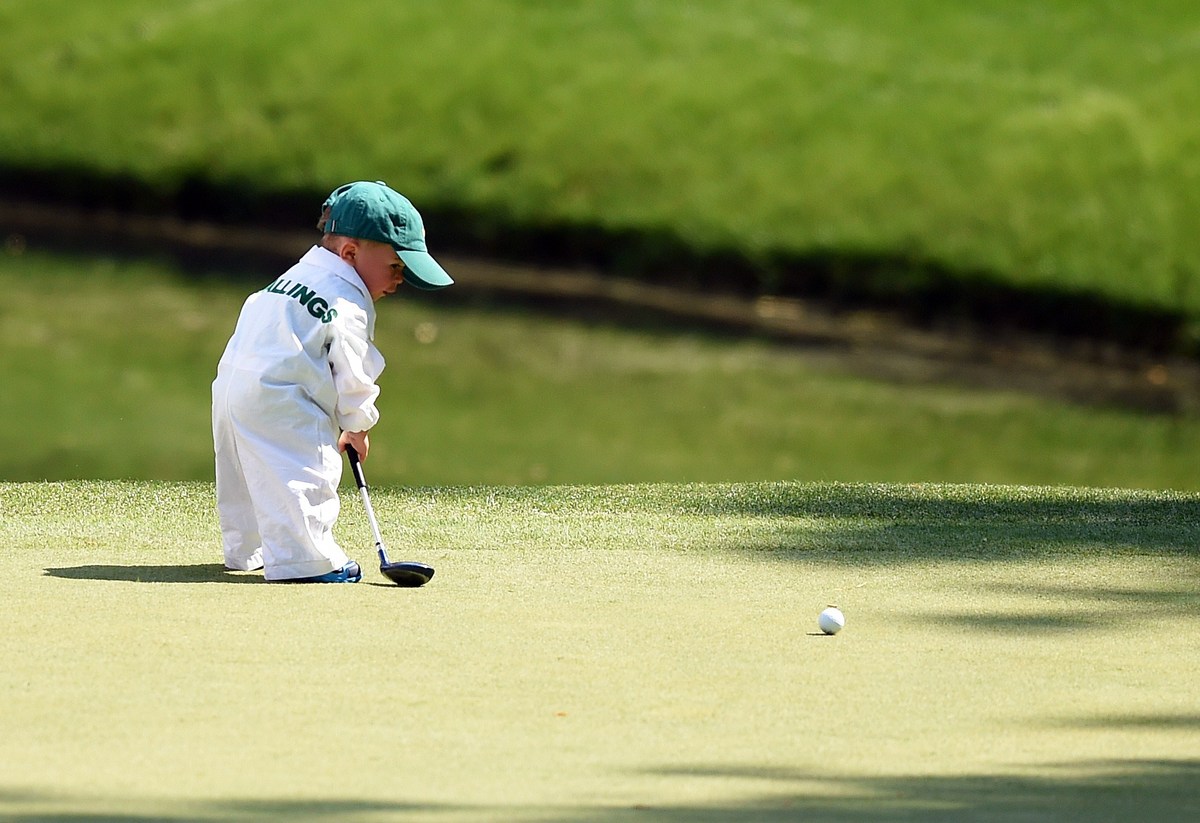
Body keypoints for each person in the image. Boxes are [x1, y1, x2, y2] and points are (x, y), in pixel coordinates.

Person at [212, 181, 453, 582]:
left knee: (245, 476)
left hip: (231, 389)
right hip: (283, 399)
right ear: (350, 253)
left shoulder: (293, 277)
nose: (400, 281)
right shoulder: (347, 300)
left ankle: (247, 551)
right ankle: (309, 562)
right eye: (396, 267)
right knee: (306, 472)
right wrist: (357, 425)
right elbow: (353, 373)